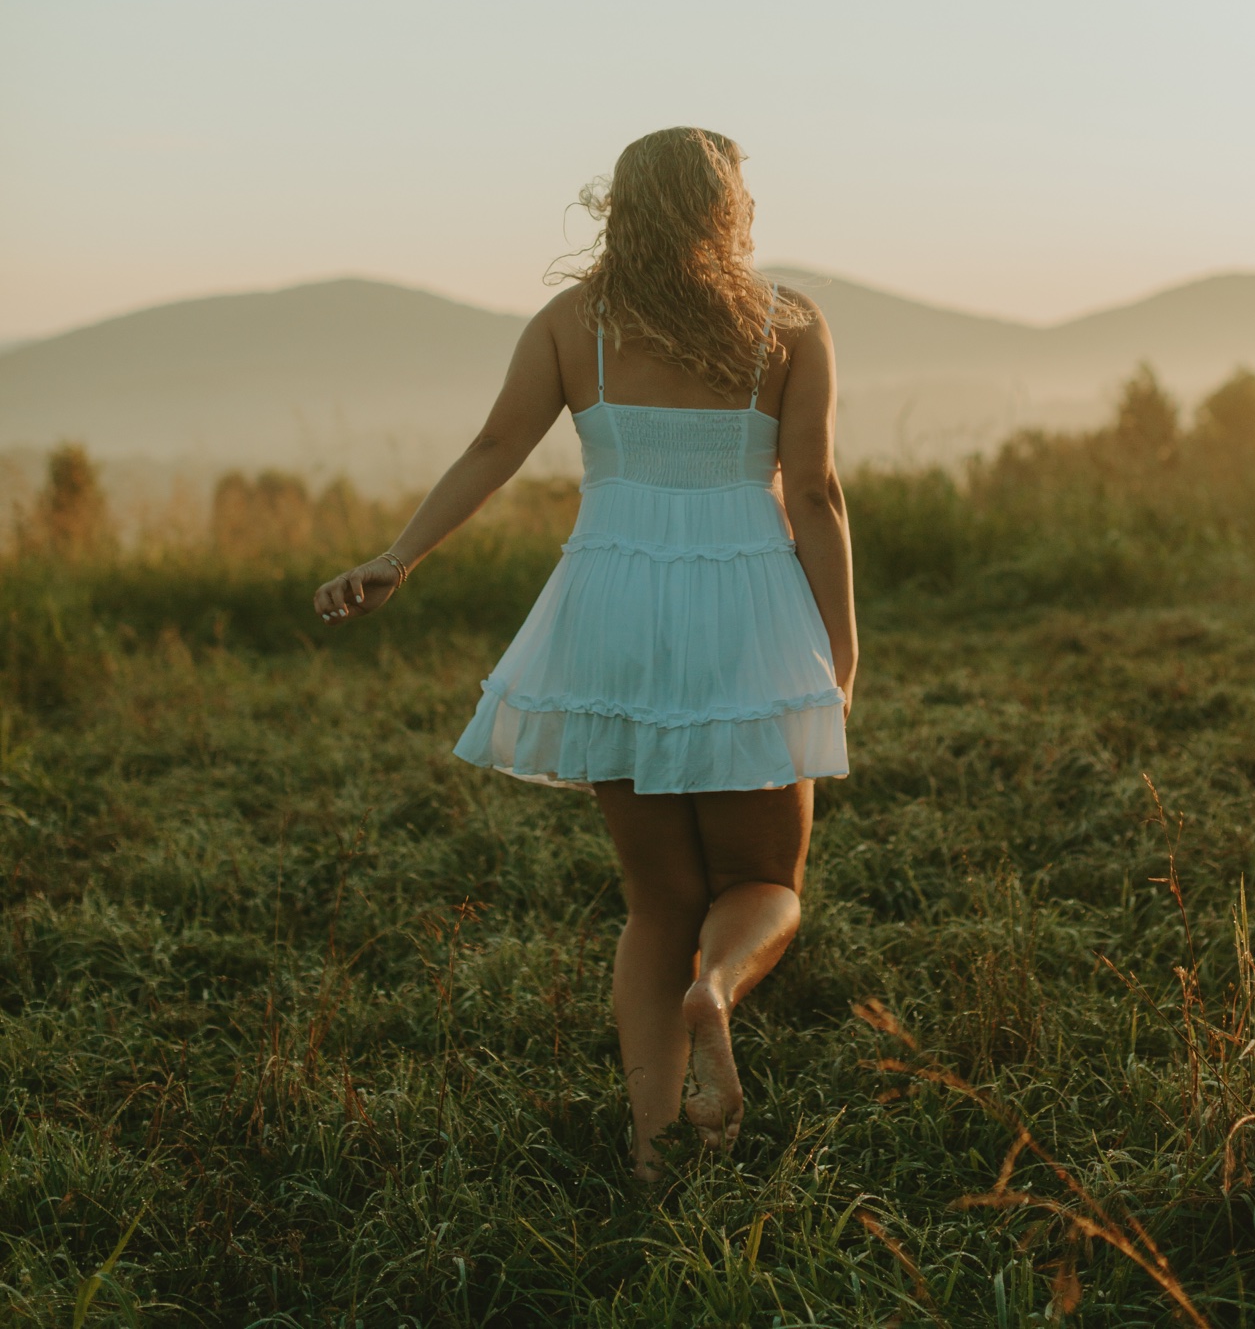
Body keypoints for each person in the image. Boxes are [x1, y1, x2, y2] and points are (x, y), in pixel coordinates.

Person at [312, 127, 856, 1179]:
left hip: (611, 613)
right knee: (765, 881)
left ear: (621, 206)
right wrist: (840, 644)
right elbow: (819, 491)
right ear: (726, 209)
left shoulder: (575, 324)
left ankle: (653, 1153)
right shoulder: (789, 324)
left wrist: (399, 556)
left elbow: (494, 448)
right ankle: (720, 990)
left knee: (657, 904)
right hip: (747, 609)